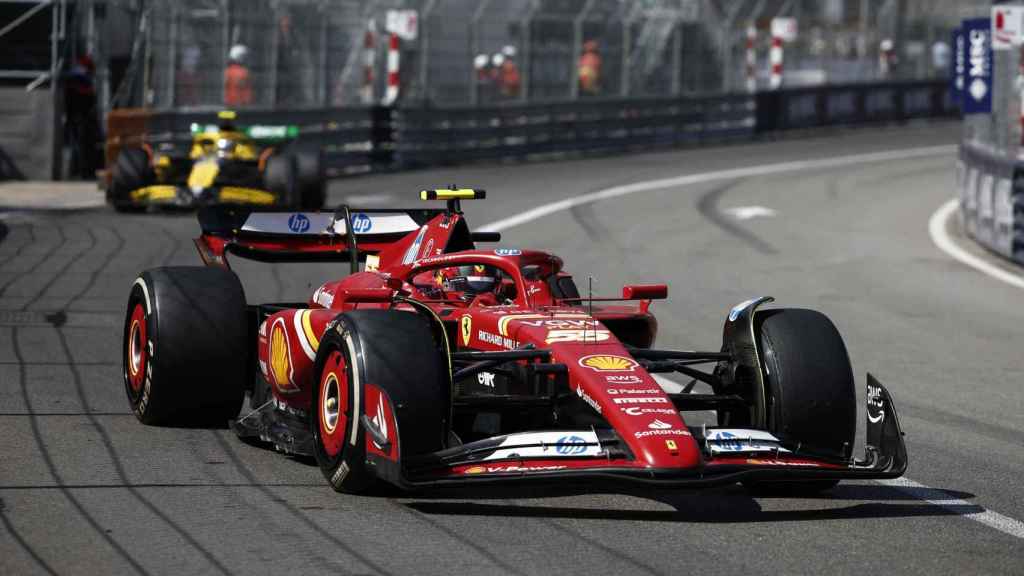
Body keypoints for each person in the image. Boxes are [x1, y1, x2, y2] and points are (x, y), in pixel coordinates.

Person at [64, 54, 101, 178]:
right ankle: (80, 171)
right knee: (79, 146)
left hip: (78, 117)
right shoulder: (80, 78)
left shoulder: (76, 76)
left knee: (79, 146)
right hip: (79, 118)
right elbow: (87, 98)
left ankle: (80, 171)